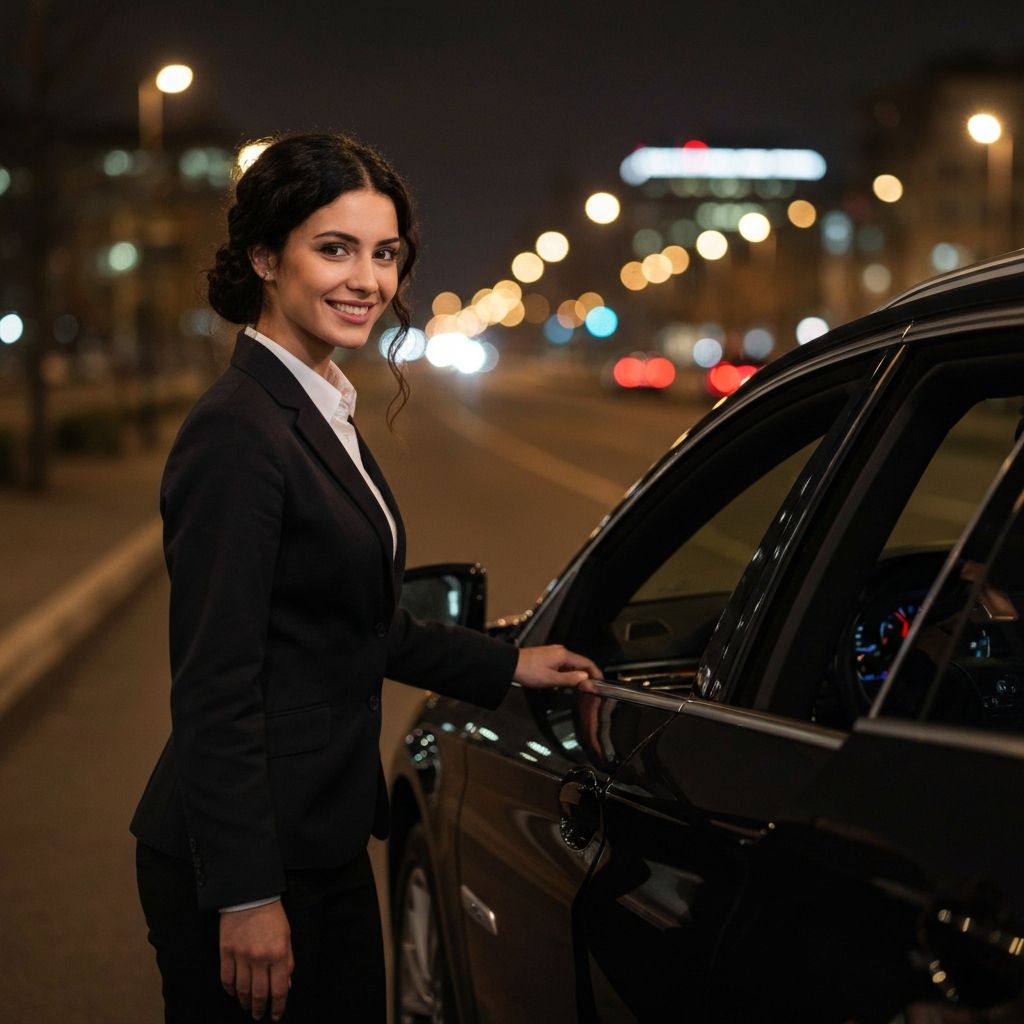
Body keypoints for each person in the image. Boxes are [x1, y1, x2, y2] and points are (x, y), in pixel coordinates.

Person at [130, 132, 599, 1023]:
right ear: (266, 258)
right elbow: (215, 680)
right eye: (334, 249)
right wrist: (244, 896)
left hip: (319, 834)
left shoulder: (321, 402)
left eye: (384, 254)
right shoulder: (239, 431)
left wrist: (510, 664)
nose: (369, 281)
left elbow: (352, 623)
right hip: (252, 860)